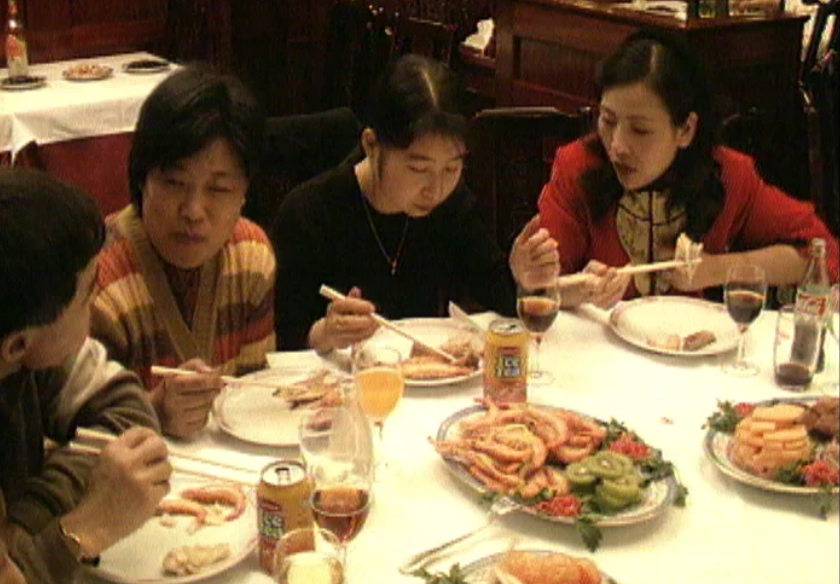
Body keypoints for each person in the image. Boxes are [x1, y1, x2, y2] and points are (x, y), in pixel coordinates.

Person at [271, 54, 558, 353]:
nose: (435, 189)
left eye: (451, 167)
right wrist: (325, 334)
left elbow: (497, 293)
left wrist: (522, 274)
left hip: (432, 383)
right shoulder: (309, 214)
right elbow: (280, 344)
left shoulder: (452, 204)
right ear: (371, 144)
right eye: (419, 169)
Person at [538, 29, 839, 309]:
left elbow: (822, 253)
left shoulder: (728, 173)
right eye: (608, 120)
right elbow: (538, 287)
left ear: (685, 130)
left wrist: (716, 269)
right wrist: (584, 290)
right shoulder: (578, 166)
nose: (617, 145)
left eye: (640, 130)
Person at [0, 168, 171, 583]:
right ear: (18, 344)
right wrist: (85, 528)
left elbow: (127, 414)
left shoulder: (31, 356)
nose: (95, 312)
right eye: (86, 298)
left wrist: (25, 527)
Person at [91, 65, 276, 439]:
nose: (193, 211)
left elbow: (256, 398)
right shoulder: (98, 282)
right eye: (174, 183)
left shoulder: (252, 257)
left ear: (244, 194)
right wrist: (153, 413)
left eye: (219, 189)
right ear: (142, 179)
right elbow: (79, 438)